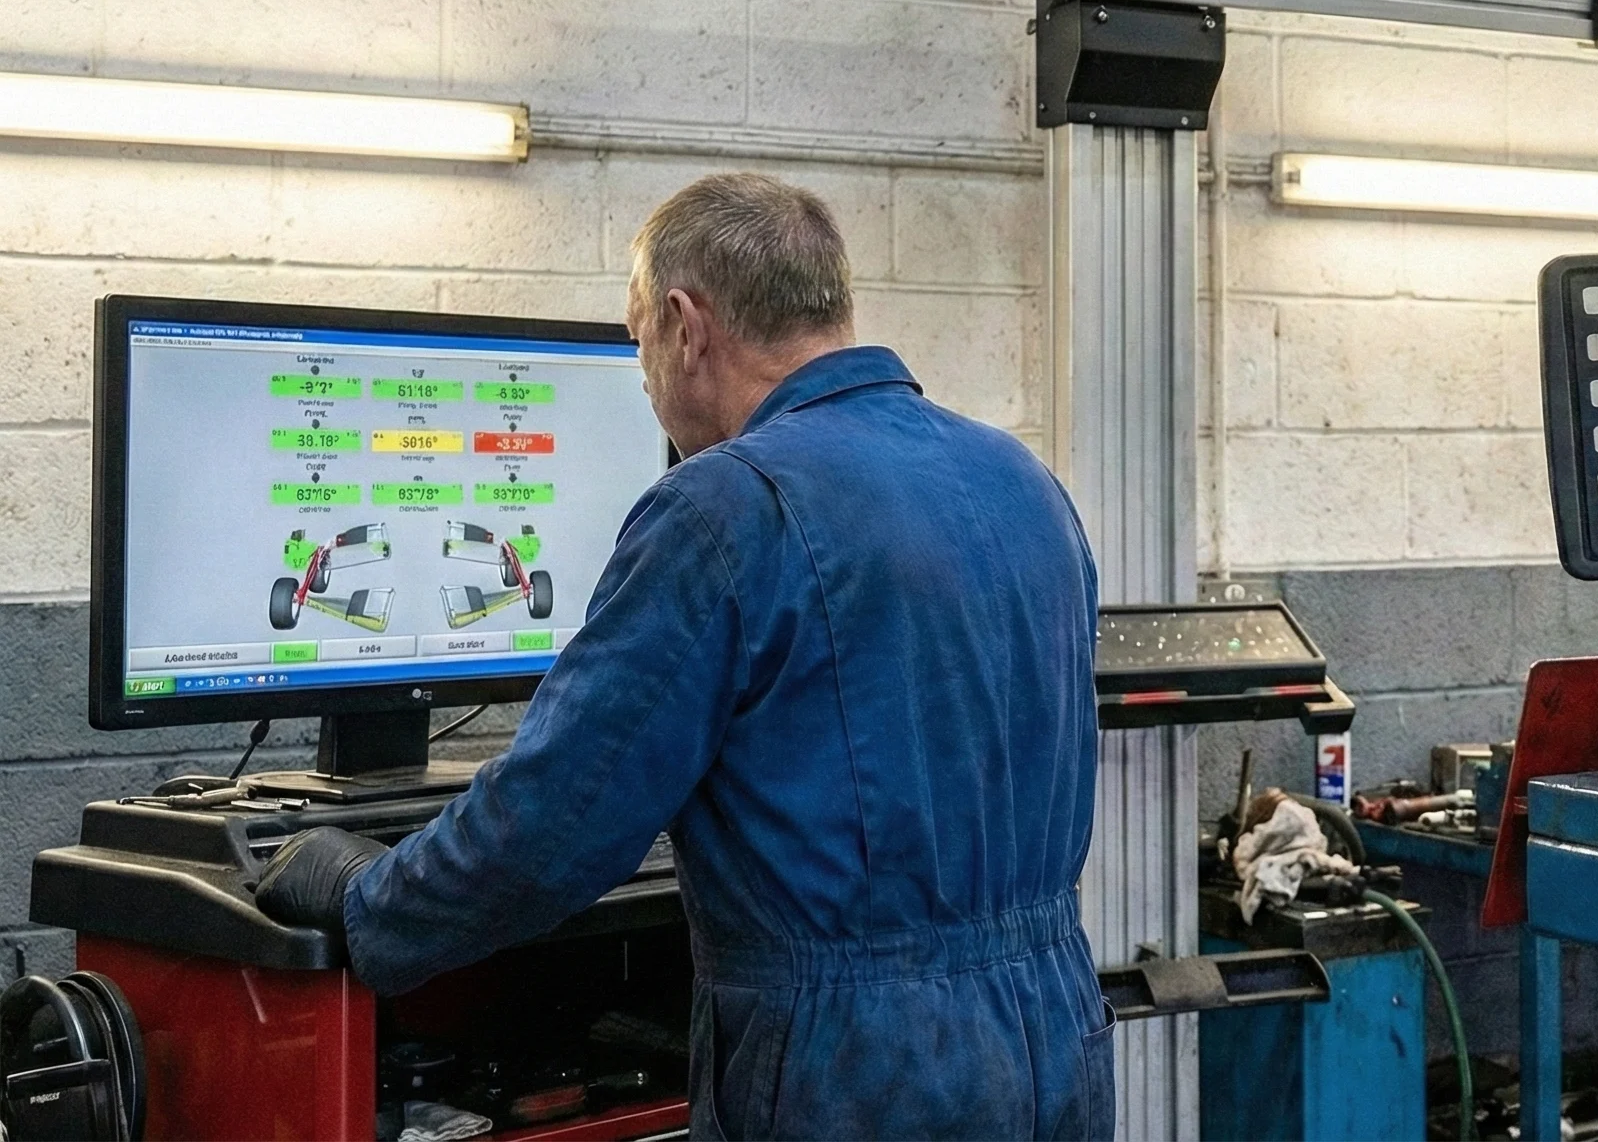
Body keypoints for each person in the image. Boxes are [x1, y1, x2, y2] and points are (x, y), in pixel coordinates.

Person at [257, 172, 1112, 1139]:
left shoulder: (726, 507)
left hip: (857, 1073)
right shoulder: (1025, 481)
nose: (645, 378)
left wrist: (366, 902)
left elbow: (558, 822)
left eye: (637, 344)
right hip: (1055, 1038)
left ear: (683, 324)